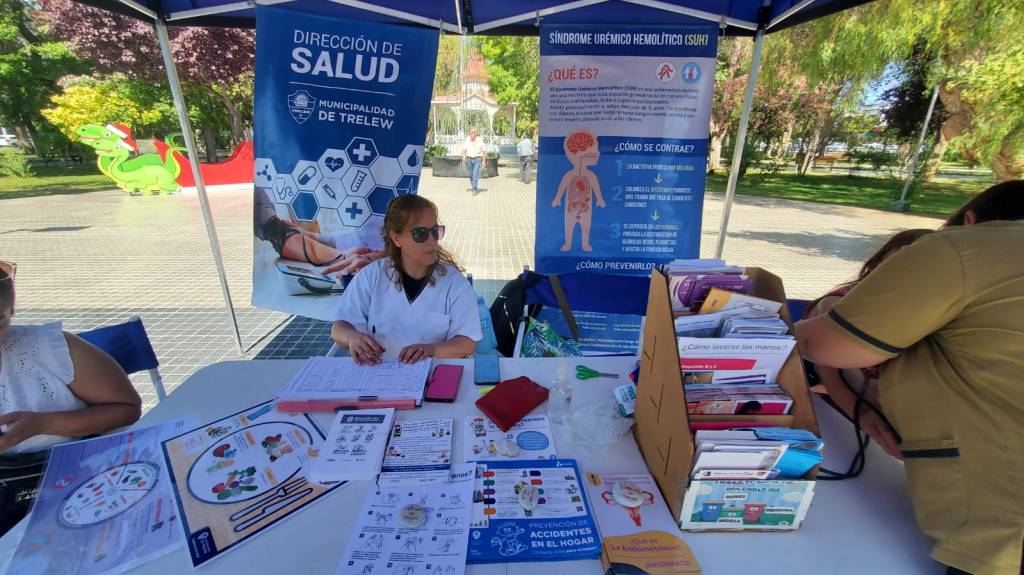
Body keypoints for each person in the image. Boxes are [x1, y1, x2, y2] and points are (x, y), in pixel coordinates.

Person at [795, 180, 1024, 575]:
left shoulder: (965, 248)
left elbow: (828, 346)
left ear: (969, 221)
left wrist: (775, 329)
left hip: (1004, 528)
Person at [0, 261, 143, 529]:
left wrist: (43, 424)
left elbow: (128, 407)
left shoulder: (46, 348)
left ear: (12, 312)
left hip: (83, 482)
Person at [803, 228, 934, 458]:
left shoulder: (929, 315)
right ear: (875, 266)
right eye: (891, 267)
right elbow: (835, 378)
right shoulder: (837, 306)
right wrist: (865, 415)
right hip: (839, 417)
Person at [331, 196, 481, 365]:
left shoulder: (454, 283)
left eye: (434, 231)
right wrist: (352, 337)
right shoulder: (371, 276)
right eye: (420, 234)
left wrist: (431, 350)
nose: (432, 241)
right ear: (396, 238)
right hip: (379, 374)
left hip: (434, 376)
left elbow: (467, 343)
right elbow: (339, 327)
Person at [552, 129, 605, 252]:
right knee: (569, 225)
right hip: (570, 207)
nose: (598, 154)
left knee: (586, 226)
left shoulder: (590, 175)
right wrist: (557, 198)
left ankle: (585, 244)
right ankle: (567, 243)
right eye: (593, 152)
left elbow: (596, 187)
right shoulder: (569, 175)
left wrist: (600, 199)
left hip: (586, 207)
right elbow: (563, 186)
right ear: (577, 155)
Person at [461, 128, 487, 195]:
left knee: (475, 174)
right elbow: (464, 149)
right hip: (469, 158)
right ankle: (474, 186)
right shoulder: (467, 139)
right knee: (470, 174)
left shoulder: (480, 140)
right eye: (471, 132)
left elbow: (484, 151)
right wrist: (463, 156)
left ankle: (474, 189)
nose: (471, 134)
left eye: (473, 132)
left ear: (476, 133)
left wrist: (484, 161)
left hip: (477, 158)